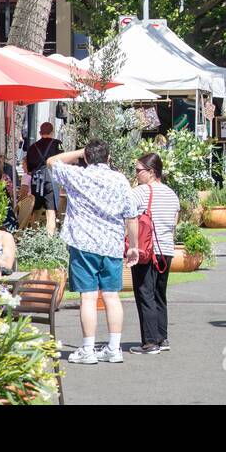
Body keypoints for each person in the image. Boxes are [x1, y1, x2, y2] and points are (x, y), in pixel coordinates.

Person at [46, 140, 139, 365]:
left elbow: (51, 162)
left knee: (87, 296)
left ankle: (88, 348)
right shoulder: (120, 180)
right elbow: (131, 215)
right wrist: (133, 245)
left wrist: (80, 152)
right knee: (111, 295)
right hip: (112, 244)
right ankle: (114, 348)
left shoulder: (77, 175)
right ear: (108, 158)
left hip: (83, 243)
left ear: (86, 158)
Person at [128, 152, 179, 354]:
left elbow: (130, 219)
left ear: (151, 172)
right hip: (166, 249)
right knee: (159, 294)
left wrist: (132, 245)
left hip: (146, 250)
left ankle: (149, 342)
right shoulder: (171, 194)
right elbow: (174, 223)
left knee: (144, 293)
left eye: (138, 170)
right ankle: (161, 337)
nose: (136, 174)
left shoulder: (140, 192)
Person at [25, 122, 63, 235]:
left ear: (40, 133)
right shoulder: (57, 144)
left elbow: (29, 170)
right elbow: (62, 163)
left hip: (36, 181)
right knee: (50, 212)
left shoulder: (32, 147)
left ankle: (33, 237)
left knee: (35, 211)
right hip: (50, 180)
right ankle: (49, 241)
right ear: (52, 132)